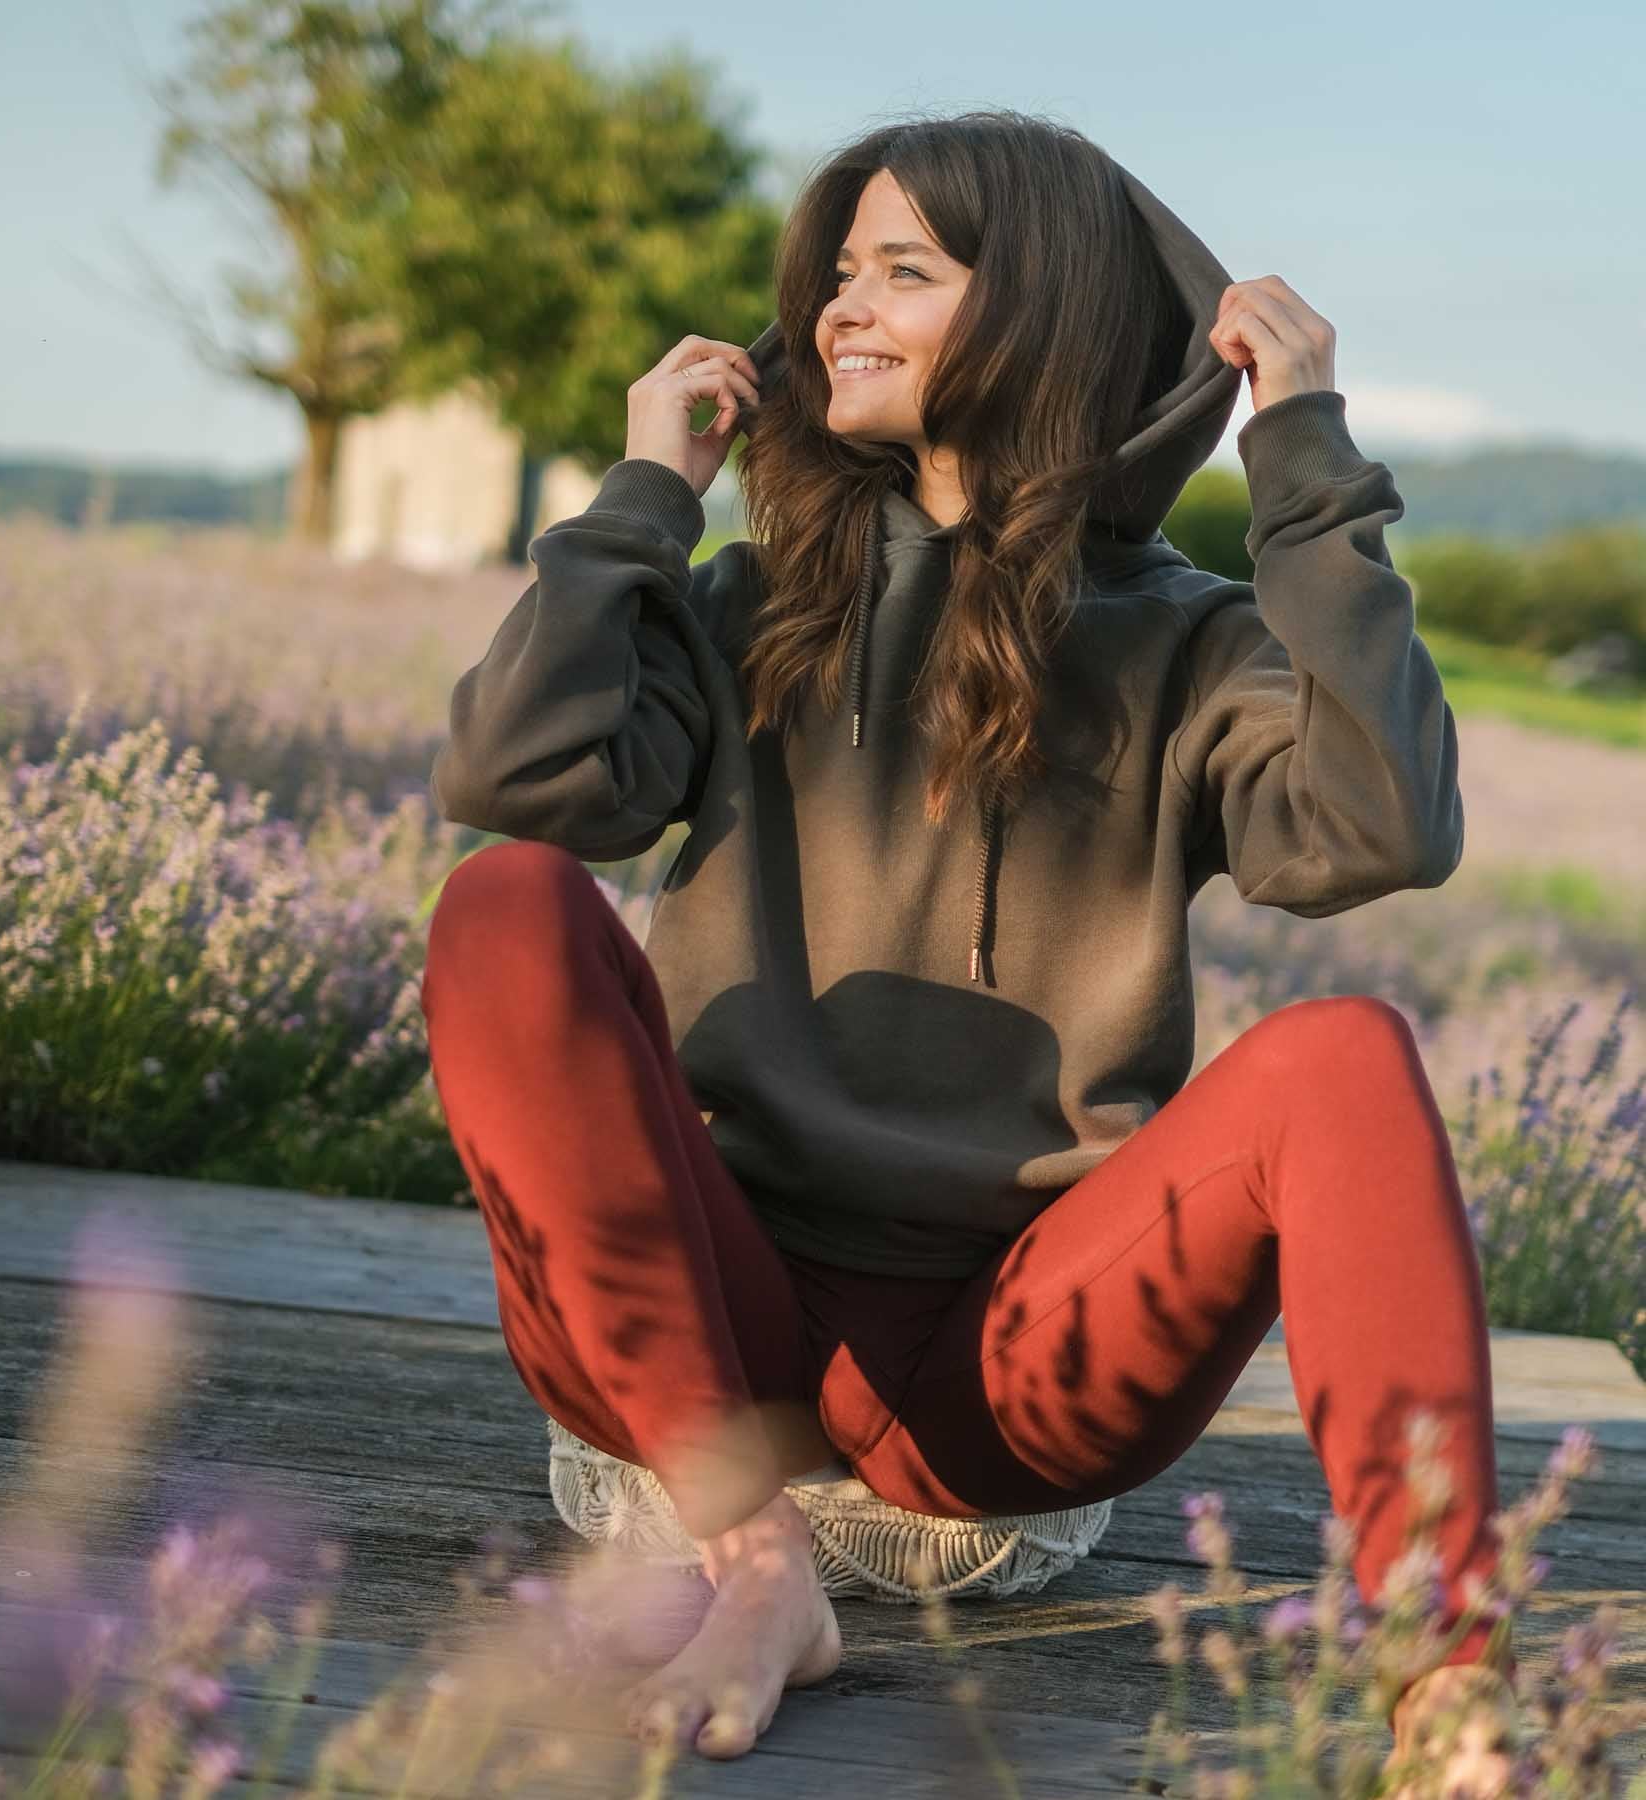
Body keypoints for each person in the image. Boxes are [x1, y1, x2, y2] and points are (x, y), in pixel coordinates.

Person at [420, 111, 1518, 1788]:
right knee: (507, 905)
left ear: (1043, 319)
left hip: (1017, 1366)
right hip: (709, 1326)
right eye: (838, 272)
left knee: (1344, 1058)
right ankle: (758, 1563)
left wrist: (1303, 466)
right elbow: (514, 778)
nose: (836, 310)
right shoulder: (745, 604)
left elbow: (1381, 830)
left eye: (904, 272)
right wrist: (649, 496)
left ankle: (1441, 1676)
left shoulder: (1192, 643)